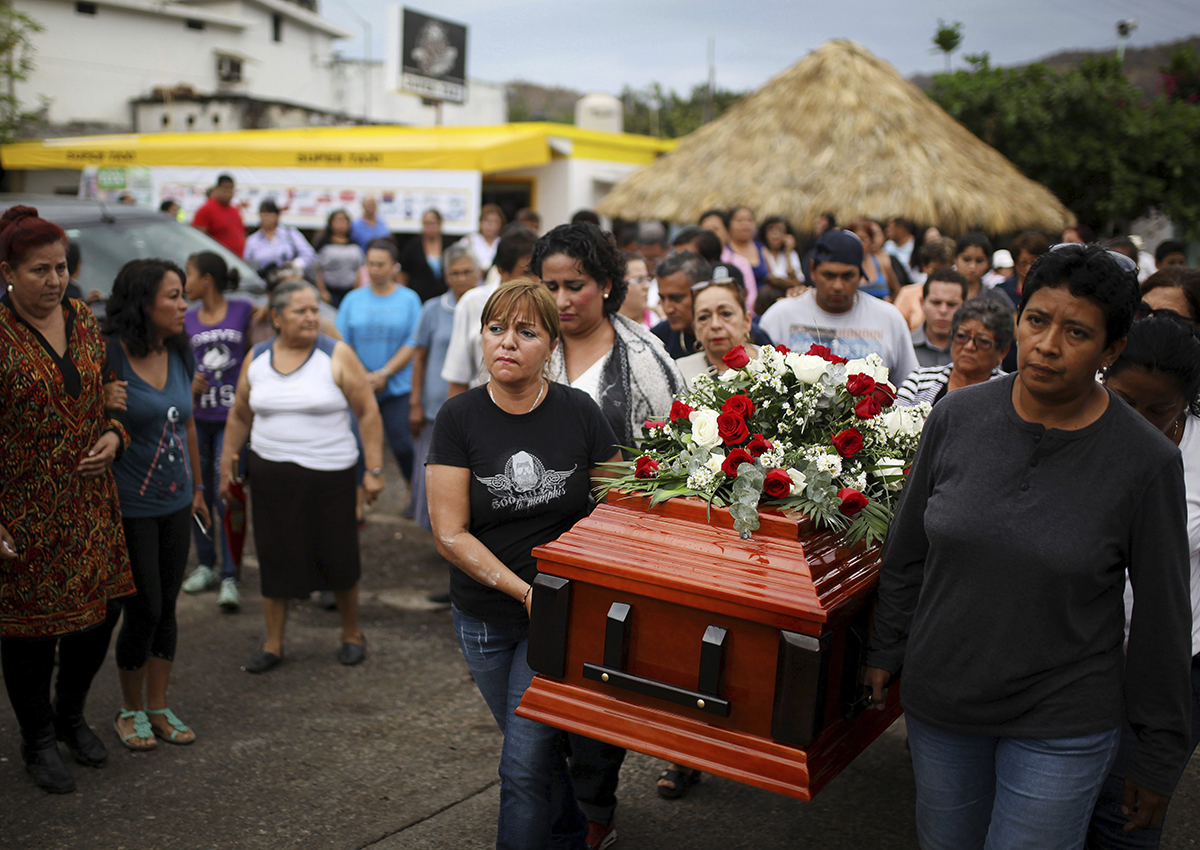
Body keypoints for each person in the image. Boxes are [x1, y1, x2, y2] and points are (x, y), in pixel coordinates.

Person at [864, 244, 1193, 850]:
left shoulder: (1146, 461)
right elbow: (909, 550)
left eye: (1076, 332)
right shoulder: (956, 417)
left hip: (1064, 717)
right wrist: (886, 647)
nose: (1047, 344)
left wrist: (1157, 752)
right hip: (945, 704)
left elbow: (1162, 617)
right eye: (1037, 320)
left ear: (1111, 350)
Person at [427, 279, 622, 850]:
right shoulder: (458, 417)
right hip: (484, 617)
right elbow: (449, 533)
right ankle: (571, 834)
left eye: (525, 331)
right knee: (528, 748)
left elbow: (616, 505)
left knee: (520, 765)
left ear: (551, 347)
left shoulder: (579, 412)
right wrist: (524, 591)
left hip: (555, 617)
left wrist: (562, 590)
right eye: (496, 329)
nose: (506, 342)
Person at [532, 223, 685, 845]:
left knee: (596, 684)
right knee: (538, 685)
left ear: (608, 286)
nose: (564, 300)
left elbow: (673, 465)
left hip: (612, 548)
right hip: (531, 546)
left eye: (577, 285)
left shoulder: (646, 362)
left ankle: (595, 808)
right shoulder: (528, 343)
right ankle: (553, 799)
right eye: (551, 286)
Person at [0, 205, 134, 793]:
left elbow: (110, 392)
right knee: (30, 635)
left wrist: (113, 434)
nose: (55, 281)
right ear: (7, 271)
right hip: (22, 512)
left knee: (100, 617)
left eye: (60, 268)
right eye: (39, 270)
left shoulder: (81, 317)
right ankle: (37, 740)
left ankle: (71, 714)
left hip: (90, 506)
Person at [220, 281, 384, 673]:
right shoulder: (256, 358)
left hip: (330, 476)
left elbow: (367, 411)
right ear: (276, 317)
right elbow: (241, 413)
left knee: (338, 556)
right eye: (301, 311)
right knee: (275, 557)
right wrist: (228, 456)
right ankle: (273, 642)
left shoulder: (336, 354)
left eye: (315, 310)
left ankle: (351, 633)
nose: (312, 317)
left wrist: (374, 470)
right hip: (271, 475)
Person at [1087, 314, 1200, 848]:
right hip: (1076, 662)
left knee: (1124, 822)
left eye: (1159, 411)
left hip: (1166, 671)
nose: (1139, 421)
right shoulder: (1072, 425)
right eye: (1127, 402)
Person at [104, 258, 209, 752]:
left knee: (168, 604)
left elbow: (186, 423)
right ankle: (128, 709)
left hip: (176, 501)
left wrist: (200, 490)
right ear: (143, 302)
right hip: (129, 507)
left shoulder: (180, 351)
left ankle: (157, 705)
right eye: (174, 296)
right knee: (142, 607)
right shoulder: (111, 357)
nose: (185, 305)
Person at [179, 252, 253, 612]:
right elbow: (175, 362)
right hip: (196, 420)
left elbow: (258, 352)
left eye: (188, 274)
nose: (184, 281)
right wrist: (186, 383)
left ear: (206, 279)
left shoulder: (244, 310)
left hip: (232, 419)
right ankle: (206, 564)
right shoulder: (185, 318)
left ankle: (230, 573)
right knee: (199, 490)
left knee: (227, 491)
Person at [759, 229, 919, 386]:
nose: (837, 286)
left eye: (847, 276)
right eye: (828, 275)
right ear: (813, 270)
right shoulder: (779, 316)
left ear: (861, 275)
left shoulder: (889, 318)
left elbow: (911, 385)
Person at [336, 238, 423, 494]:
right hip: (358, 385)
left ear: (394, 266)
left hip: (397, 387)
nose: (374, 269)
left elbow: (412, 341)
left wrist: (384, 373)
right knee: (356, 445)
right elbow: (342, 342)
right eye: (370, 264)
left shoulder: (409, 299)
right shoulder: (352, 299)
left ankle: (412, 490)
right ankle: (360, 498)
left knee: (403, 445)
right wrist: (363, 375)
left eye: (380, 264)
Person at [409, 244, 480, 531]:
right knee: (433, 472)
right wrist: (415, 401)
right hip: (434, 405)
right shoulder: (432, 309)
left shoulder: (488, 305)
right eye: (455, 273)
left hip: (474, 405)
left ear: (479, 273)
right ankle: (440, 532)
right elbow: (419, 357)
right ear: (446, 277)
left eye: (467, 272)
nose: (461, 278)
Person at [442, 224, 539, 395]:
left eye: (540, 270)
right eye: (529, 272)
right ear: (503, 271)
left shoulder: (548, 305)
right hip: (484, 412)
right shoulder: (473, 303)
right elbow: (458, 377)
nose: (537, 279)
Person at [896, 296, 1013, 406]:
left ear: (1002, 351)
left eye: (982, 341)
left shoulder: (1011, 393)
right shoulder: (919, 381)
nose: (969, 346)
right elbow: (896, 423)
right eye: (962, 336)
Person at [677, 276, 757, 384]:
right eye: (703, 317)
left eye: (726, 314)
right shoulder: (679, 373)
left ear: (747, 321)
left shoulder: (774, 365)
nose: (715, 325)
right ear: (695, 329)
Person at [649, 251, 713, 359]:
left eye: (676, 298)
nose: (667, 309)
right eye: (662, 298)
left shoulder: (735, 333)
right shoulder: (657, 339)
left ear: (702, 292)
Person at [699, 208, 757, 312]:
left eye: (716, 229)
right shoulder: (697, 262)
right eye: (706, 231)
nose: (711, 235)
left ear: (727, 232)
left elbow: (751, 300)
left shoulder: (740, 263)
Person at [893, 236, 958, 329]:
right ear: (924, 267)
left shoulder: (959, 294)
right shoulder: (908, 294)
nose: (940, 275)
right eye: (935, 270)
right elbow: (896, 328)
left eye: (946, 270)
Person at [910, 269, 969, 368]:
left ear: (964, 306)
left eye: (952, 304)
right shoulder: (905, 346)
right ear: (922, 303)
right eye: (936, 302)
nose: (943, 310)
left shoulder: (973, 350)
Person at [242, 199, 316, 276]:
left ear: (277, 216)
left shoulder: (290, 233)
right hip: (263, 279)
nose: (267, 217)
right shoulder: (252, 240)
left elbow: (308, 253)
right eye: (264, 214)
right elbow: (246, 263)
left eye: (271, 213)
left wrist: (296, 264)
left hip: (289, 277)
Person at [313, 209, 364, 307]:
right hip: (330, 291)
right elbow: (317, 268)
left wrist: (357, 290)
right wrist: (322, 290)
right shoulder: (323, 243)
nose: (341, 224)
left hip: (350, 290)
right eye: (338, 220)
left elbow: (359, 268)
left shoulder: (355, 243)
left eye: (344, 220)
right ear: (331, 223)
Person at [399, 208, 450, 303]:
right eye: (426, 223)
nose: (429, 227)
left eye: (432, 223)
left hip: (444, 297)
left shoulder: (449, 245)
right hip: (419, 297)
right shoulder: (412, 246)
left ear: (440, 224)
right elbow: (403, 274)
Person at [191, 174, 245, 257]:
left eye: (231, 188)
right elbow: (197, 238)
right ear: (217, 189)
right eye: (226, 188)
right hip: (218, 261)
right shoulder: (206, 209)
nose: (229, 192)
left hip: (238, 261)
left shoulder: (235, 210)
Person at [995, 231, 1051, 309]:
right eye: (1023, 263)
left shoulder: (1052, 289)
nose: (1029, 268)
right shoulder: (1002, 291)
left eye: (1034, 262)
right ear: (1015, 263)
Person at [850, 218, 899, 300]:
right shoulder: (845, 265)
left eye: (863, 239)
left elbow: (896, 290)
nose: (858, 243)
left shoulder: (882, 262)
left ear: (871, 241)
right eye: (855, 238)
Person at [458, 203, 506, 272]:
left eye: (494, 222)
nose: (490, 225)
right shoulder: (469, 241)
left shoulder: (503, 242)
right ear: (480, 222)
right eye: (487, 221)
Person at [617, 253, 657, 328]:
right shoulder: (604, 328)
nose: (647, 286)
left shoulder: (658, 321)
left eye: (647, 279)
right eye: (639, 280)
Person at [760, 215, 801, 283]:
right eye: (771, 230)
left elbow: (797, 281)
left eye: (780, 230)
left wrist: (787, 254)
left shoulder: (791, 254)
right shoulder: (760, 251)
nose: (775, 234)